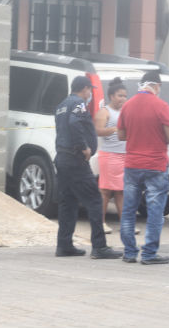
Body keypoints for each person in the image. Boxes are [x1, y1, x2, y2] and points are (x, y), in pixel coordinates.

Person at [54, 75, 122, 259]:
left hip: (62, 158)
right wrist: (83, 146)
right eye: (89, 90)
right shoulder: (78, 103)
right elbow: (75, 123)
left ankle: (64, 245)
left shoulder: (61, 105)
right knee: (95, 200)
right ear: (84, 89)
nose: (90, 93)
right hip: (75, 159)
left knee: (68, 202)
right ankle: (100, 247)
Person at [118, 70, 169, 264]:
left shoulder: (127, 106)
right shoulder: (161, 106)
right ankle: (150, 254)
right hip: (155, 164)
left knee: (128, 210)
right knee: (155, 210)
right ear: (156, 86)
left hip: (132, 164)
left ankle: (129, 253)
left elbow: (121, 135)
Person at [94, 78, 127, 234]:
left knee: (121, 191)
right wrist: (114, 129)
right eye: (120, 95)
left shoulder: (125, 111)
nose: (123, 99)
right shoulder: (104, 111)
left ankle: (125, 224)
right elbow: (98, 131)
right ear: (112, 96)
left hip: (124, 156)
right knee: (105, 191)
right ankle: (100, 223)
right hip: (109, 155)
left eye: (124, 96)